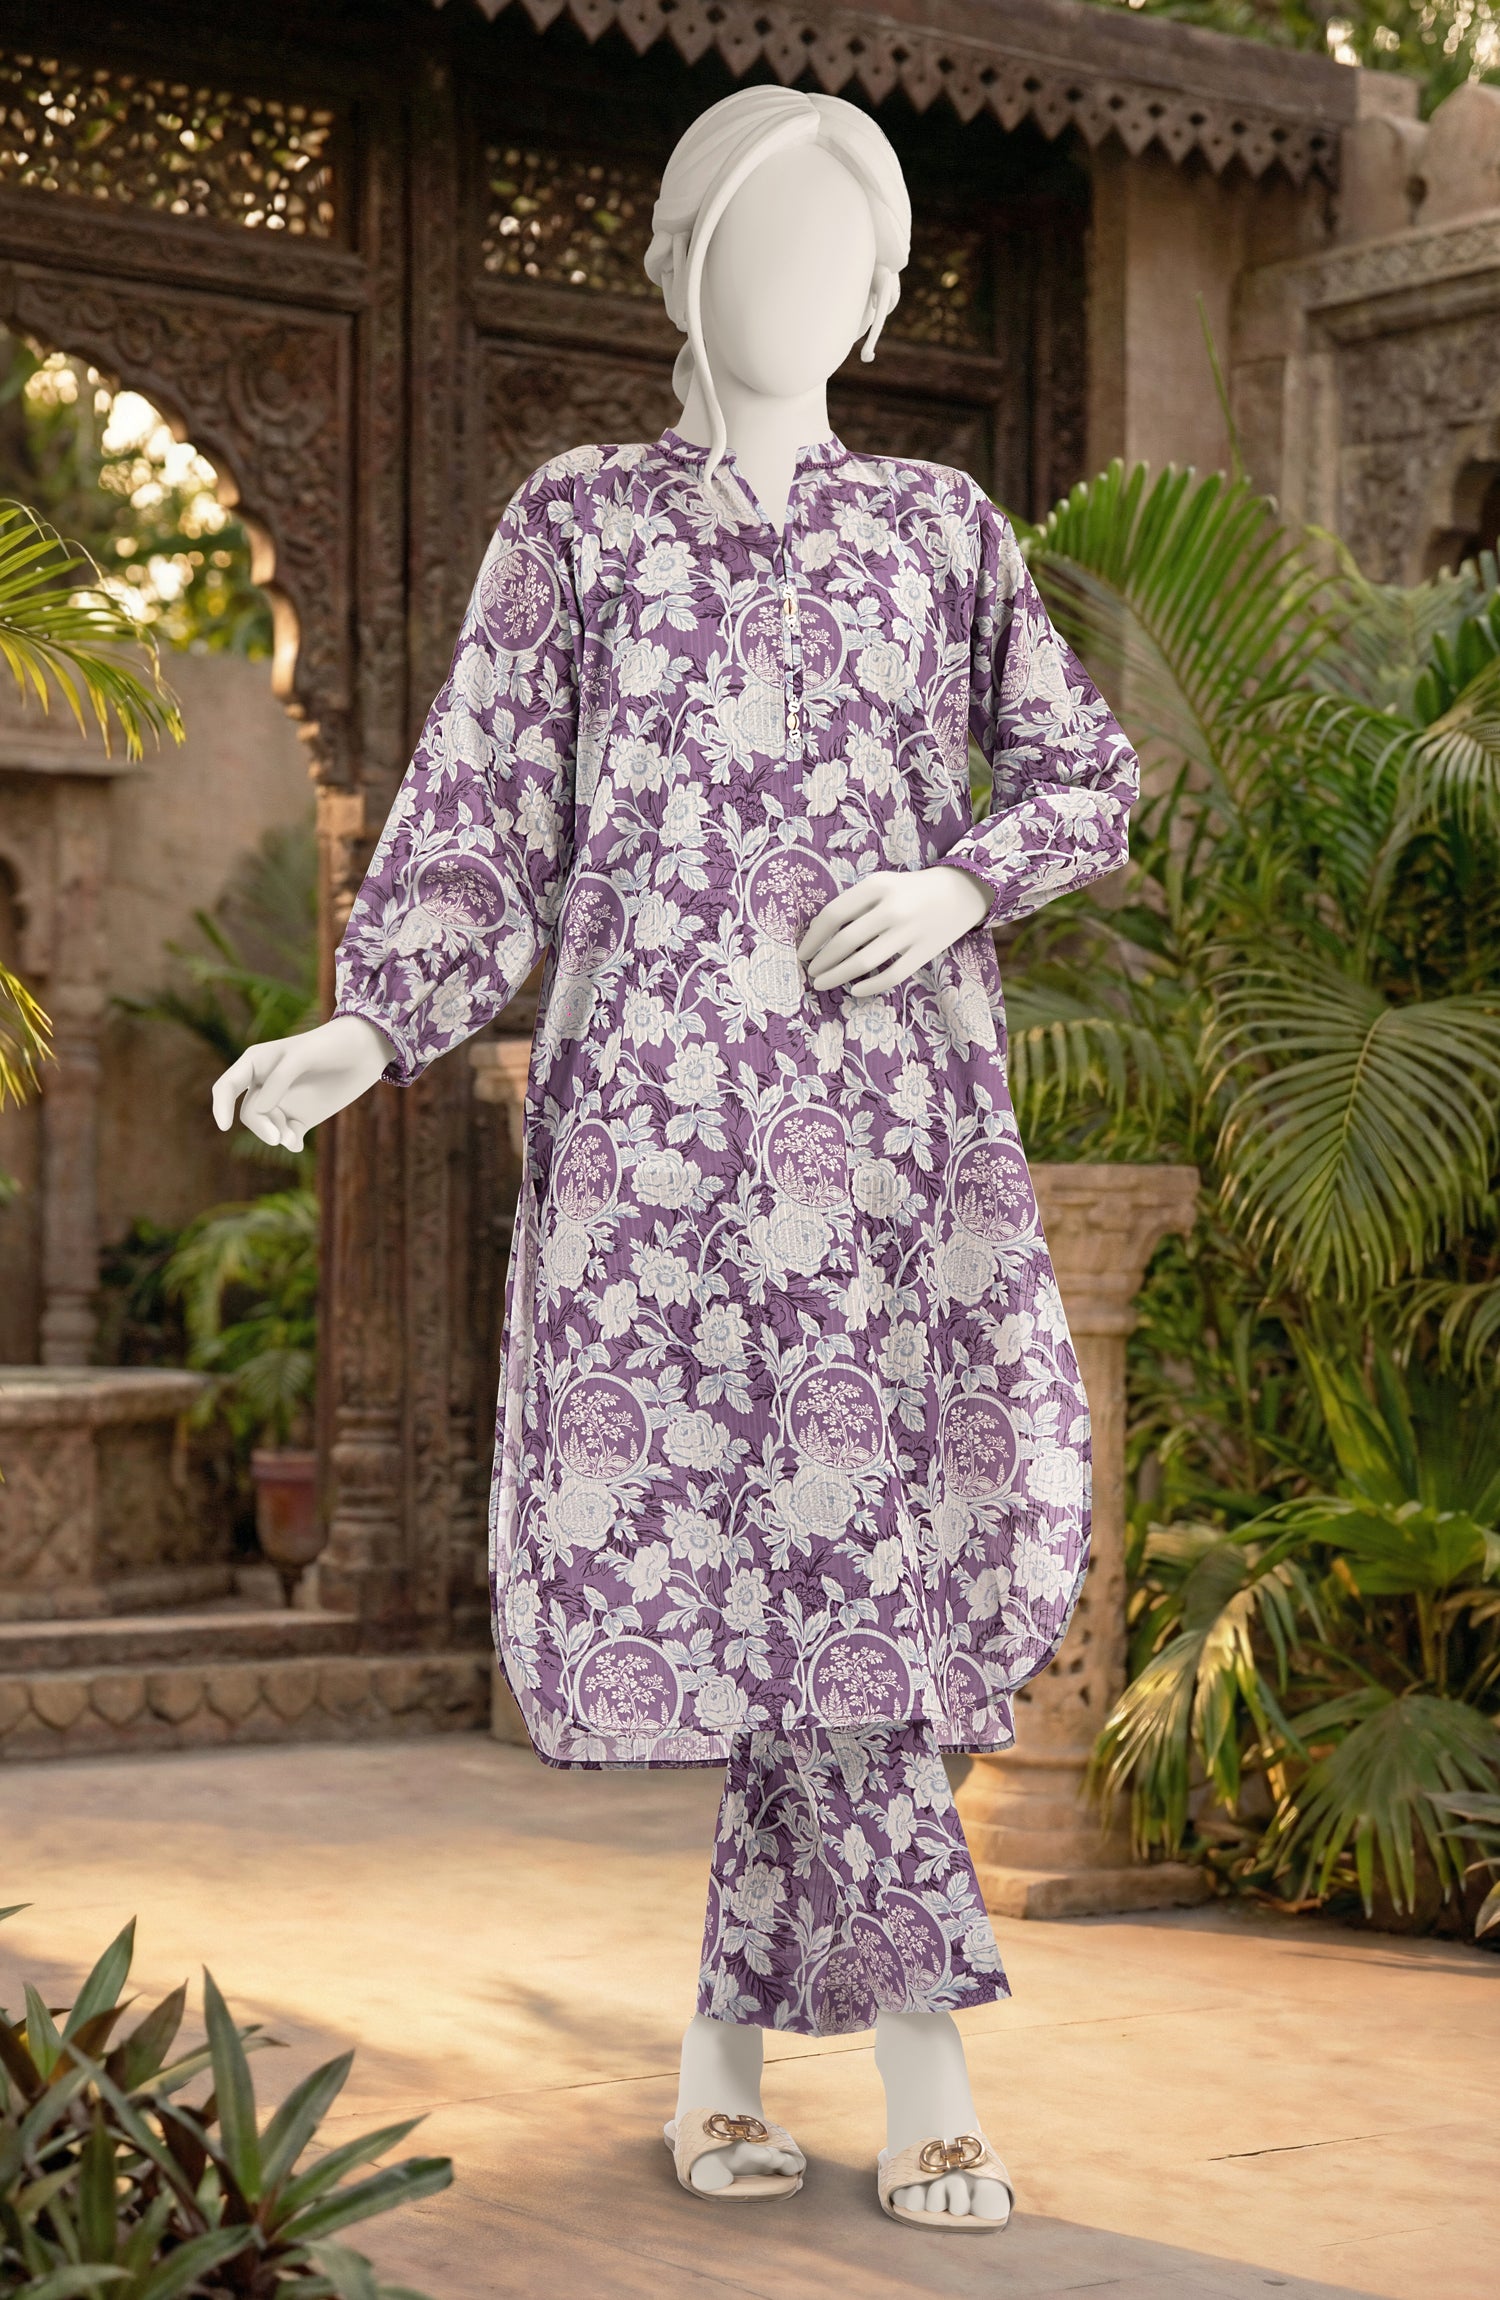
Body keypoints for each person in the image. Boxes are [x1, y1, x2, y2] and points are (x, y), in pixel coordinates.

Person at [213, 83, 1139, 2235]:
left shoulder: (942, 534)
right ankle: (866, 2081)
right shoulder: (579, 527)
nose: (797, 287)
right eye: (755, 241)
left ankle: (798, 2071)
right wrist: (368, 1024)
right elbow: (483, 819)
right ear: (678, 267)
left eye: (841, 256)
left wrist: (957, 879)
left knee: (859, 1601)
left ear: (882, 298)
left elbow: (1084, 777)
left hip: (891, 1151)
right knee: (806, 1607)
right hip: (662, 1160)